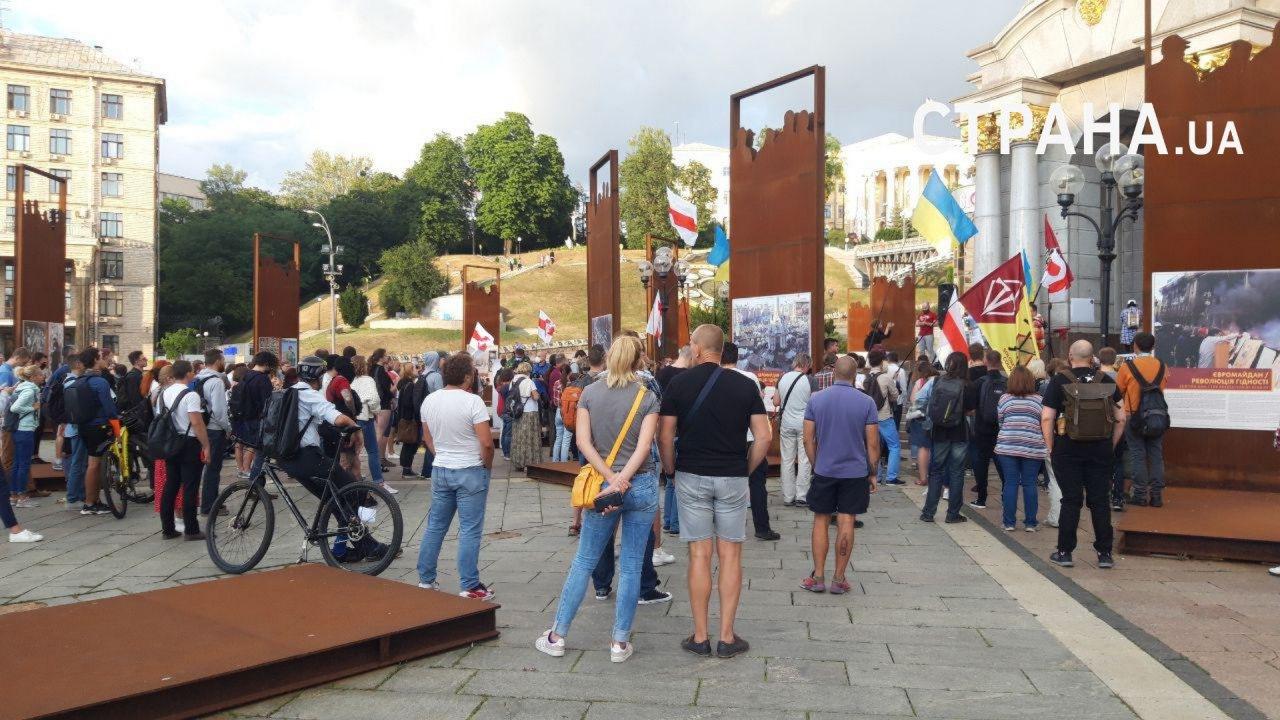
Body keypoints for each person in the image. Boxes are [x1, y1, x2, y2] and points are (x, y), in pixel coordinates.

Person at [535, 336, 663, 663]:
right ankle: (619, 642)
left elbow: (582, 442)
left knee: (584, 561)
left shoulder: (589, 393)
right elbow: (645, 448)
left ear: (608, 359)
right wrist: (624, 479)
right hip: (642, 483)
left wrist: (610, 477)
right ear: (637, 362)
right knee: (633, 564)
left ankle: (558, 635)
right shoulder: (647, 397)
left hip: (605, 487)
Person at [659, 325, 769, 659]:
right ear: (721, 350)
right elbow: (763, 437)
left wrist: (670, 470)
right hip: (732, 475)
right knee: (731, 555)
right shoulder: (744, 385)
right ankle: (727, 636)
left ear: (696, 347)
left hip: (692, 474)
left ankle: (700, 635)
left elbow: (665, 437)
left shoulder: (678, 383)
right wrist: (745, 469)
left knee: (699, 555)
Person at [278, 356, 392, 562]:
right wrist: (356, 430)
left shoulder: (287, 393)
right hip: (307, 457)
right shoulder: (309, 395)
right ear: (318, 376)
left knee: (336, 499)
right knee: (354, 490)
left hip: (288, 458)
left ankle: (349, 548)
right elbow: (337, 417)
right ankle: (362, 546)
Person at [416, 352, 496, 600]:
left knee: (435, 526)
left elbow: (427, 438)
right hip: (470, 469)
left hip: (441, 468)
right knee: (470, 529)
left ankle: (425, 580)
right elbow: (486, 442)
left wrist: (441, 454)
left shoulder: (430, 401)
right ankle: (470, 585)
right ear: (468, 376)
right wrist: (486, 466)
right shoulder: (473, 402)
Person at [1041, 340, 1127, 569]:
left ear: (1070, 356)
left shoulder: (1059, 381)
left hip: (1067, 450)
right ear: (1092, 358)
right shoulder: (1106, 381)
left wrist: (1051, 446)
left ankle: (1065, 552)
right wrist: (1111, 444)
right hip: (1100, 450)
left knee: (1070, 500)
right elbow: (1121, 418)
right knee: (1099, 501)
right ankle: (1105, 554)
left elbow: (1047, 417)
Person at [801, 356, 878, 595]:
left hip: (825, 469)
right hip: (854, 472)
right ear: (855, 375)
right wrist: (872, 472)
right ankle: (839, 578)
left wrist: (816, 463)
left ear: (833, 373)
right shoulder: (866, 402)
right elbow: (872, 444)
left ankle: (819, 576)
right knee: (847, 521)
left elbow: (807, 438)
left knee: (821, 520)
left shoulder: (817, 399)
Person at [722, 342, 777, 541]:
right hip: (751, 437)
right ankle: (762, 527)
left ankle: (724, 526)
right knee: (757, 484)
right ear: (737, 358)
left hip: (726, 439)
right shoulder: (750, 378)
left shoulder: (714, 378)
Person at [157, 360, 210, 540]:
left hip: (170, 442)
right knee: (190, 486)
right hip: (189, 443)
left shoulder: (164, 393)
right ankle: (192, 529)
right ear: (188, 373)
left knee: (171, 484)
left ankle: (167, 528)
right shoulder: (191, 394)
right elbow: (196, 422)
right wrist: (206, 445)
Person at [1115, 332, 1167, 508]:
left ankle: (1139, 494)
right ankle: (1157, 496)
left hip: (1134, 416)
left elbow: (1119, 391)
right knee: (1156, 454)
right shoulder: (1162, 366)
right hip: (1157, 416)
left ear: (1135, 345)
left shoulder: (1127, 367)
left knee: (1138, 455)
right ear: (1152, 347)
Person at [920, 352, 973, 524]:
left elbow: (927, 402)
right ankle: (952, 514)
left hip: (940, 431)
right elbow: (971, 410)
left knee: (936, 471)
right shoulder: (967, 385)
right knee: (957, 472)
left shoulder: (937, 381)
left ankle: (928, 513)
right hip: (959, 432)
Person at [995, 365, 1045, 532]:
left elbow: (1000, 421)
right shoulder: (1039, 400)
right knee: (1030, 484)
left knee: (1010, 483)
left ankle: (1009, 522)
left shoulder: (1004, 399)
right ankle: (1030, 522)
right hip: (1032, 445)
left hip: (1007, 445)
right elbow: (1043, 422)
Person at [72, 347, 120, 516]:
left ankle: (93, 501)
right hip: (99, 427)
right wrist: (117, 426)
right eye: (100, 357)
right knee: (94, 464)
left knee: (92, 463)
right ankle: (90, 503)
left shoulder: (79, 380)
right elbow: (110, 409)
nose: (103, 360)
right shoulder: (100, 382)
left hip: (83, 426)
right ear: (94, 360)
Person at [655, 345, 691, 534]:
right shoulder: (688, 377)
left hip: (662, 430)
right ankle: (676, 522)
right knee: (680, 480)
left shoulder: (661, 375)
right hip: (680, 430)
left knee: (670, 479)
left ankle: (668, 520)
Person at [969, 350, 1007, 509]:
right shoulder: (1007, 382)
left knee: (981, 463)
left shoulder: (979, 382)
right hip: (1002, 429)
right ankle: (1007, 494)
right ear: (999, 362)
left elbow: (970, 407)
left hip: (981, 428)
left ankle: (981, 498)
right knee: (1002, 464)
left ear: (985, 361)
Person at [194, 349, 231, 515]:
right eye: (223, 359)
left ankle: (208, 503)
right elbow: (219, 411)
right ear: (218, 360)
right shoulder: (216, 382)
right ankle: (210, 506)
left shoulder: (197, 378)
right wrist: (228, 428)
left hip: (200, 427)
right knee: (213, 469)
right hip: (215, 429)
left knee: (205, 468)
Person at [774, 353, 813, 506]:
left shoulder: (782, 378)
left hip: (787, 424)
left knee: (787, 459)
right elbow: (814, 404)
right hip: (805, 424)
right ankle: (802, 496)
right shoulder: (810, 380)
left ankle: (788, 497)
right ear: (806, 365)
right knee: (804, 459)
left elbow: (776, 401)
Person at [1029, 359, 1062, 528]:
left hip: (1056, 437)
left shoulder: (1051, 386)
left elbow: (1047, 417)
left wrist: (1048, 442)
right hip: (1081, 439)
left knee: (1055, 479)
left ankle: (1056, 517)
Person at [350, 356, 388, 492]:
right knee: (372, 450)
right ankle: (378, 481)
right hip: (365, 417)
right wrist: (376, 411)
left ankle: (355, 479)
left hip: (353, 418)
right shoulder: (368, 380)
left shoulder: (352, 381)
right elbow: (373, 399)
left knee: (354, 452)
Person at [235, 352, 276, 481]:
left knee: (258, 453)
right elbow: (268, 404)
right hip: (260, 421)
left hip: (246, 420)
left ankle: (256, 488)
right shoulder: (262, 379)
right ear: (266, 364)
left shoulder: (245, 376)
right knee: (260, 455)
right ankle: (255, 486)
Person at [1097, 347, 1128, 512]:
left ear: (1099, 359)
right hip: (1116, 423)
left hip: (1096, 424)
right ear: (1115, 359)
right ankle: (1117, 497)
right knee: (1118, 461)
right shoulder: (1120, 377)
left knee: (1098, 462)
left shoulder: (1094, 377)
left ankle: (1101, 495)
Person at [9, 365, 44, 508]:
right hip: (25, 429)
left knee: (17, 464)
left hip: (19, 429)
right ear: (33, 377)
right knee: (23, 464)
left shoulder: (22, 387)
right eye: (40, 374)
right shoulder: (29, 390)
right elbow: (15, 408)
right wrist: (33, 408)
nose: (43, 376)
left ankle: (14, 495)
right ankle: (22, 497)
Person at [865, 349, 901, 486]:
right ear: (882, 362)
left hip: (870, 419)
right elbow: (895, 396)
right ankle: (891, 477)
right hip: (885, 417)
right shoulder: (886, 378)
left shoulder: (866, 378)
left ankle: (877, 475)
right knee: (894, 446)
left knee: (874, 446)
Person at [904, 360, 937, 487]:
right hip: (937, 418)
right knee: (935, 448)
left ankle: (923, 478)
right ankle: (936, 476)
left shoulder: (921, 382)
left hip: (921, 419)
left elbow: (914, 401)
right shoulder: (941, 380)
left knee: (923, 448)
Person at [508, 361, 542, 471]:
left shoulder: (513, 381)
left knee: (519, 437)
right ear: (528, 371)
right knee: (529, 437)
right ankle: (530, 463)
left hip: (517, 412)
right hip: (530, 412)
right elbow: (535, 397)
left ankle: (518, 461)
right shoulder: (529, 381)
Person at [394, 362, 424, 477]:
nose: (418, 370)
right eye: (415, 368)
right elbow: (408, 402)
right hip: (409, 418)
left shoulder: (403, 383)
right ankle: (407, 469)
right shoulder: (410, 385)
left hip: (403, 417)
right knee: (411, 443)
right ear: (410, 370)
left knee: (408, 443)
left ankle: (406, 468)